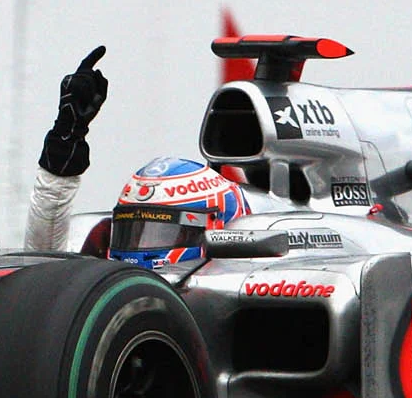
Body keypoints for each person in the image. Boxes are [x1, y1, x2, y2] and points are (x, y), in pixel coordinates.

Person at [24, 47, 252, 268]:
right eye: (132, 233)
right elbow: (42, 269)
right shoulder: (110, 273)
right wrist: (63, 145)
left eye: (162, 233)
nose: (140, 247)